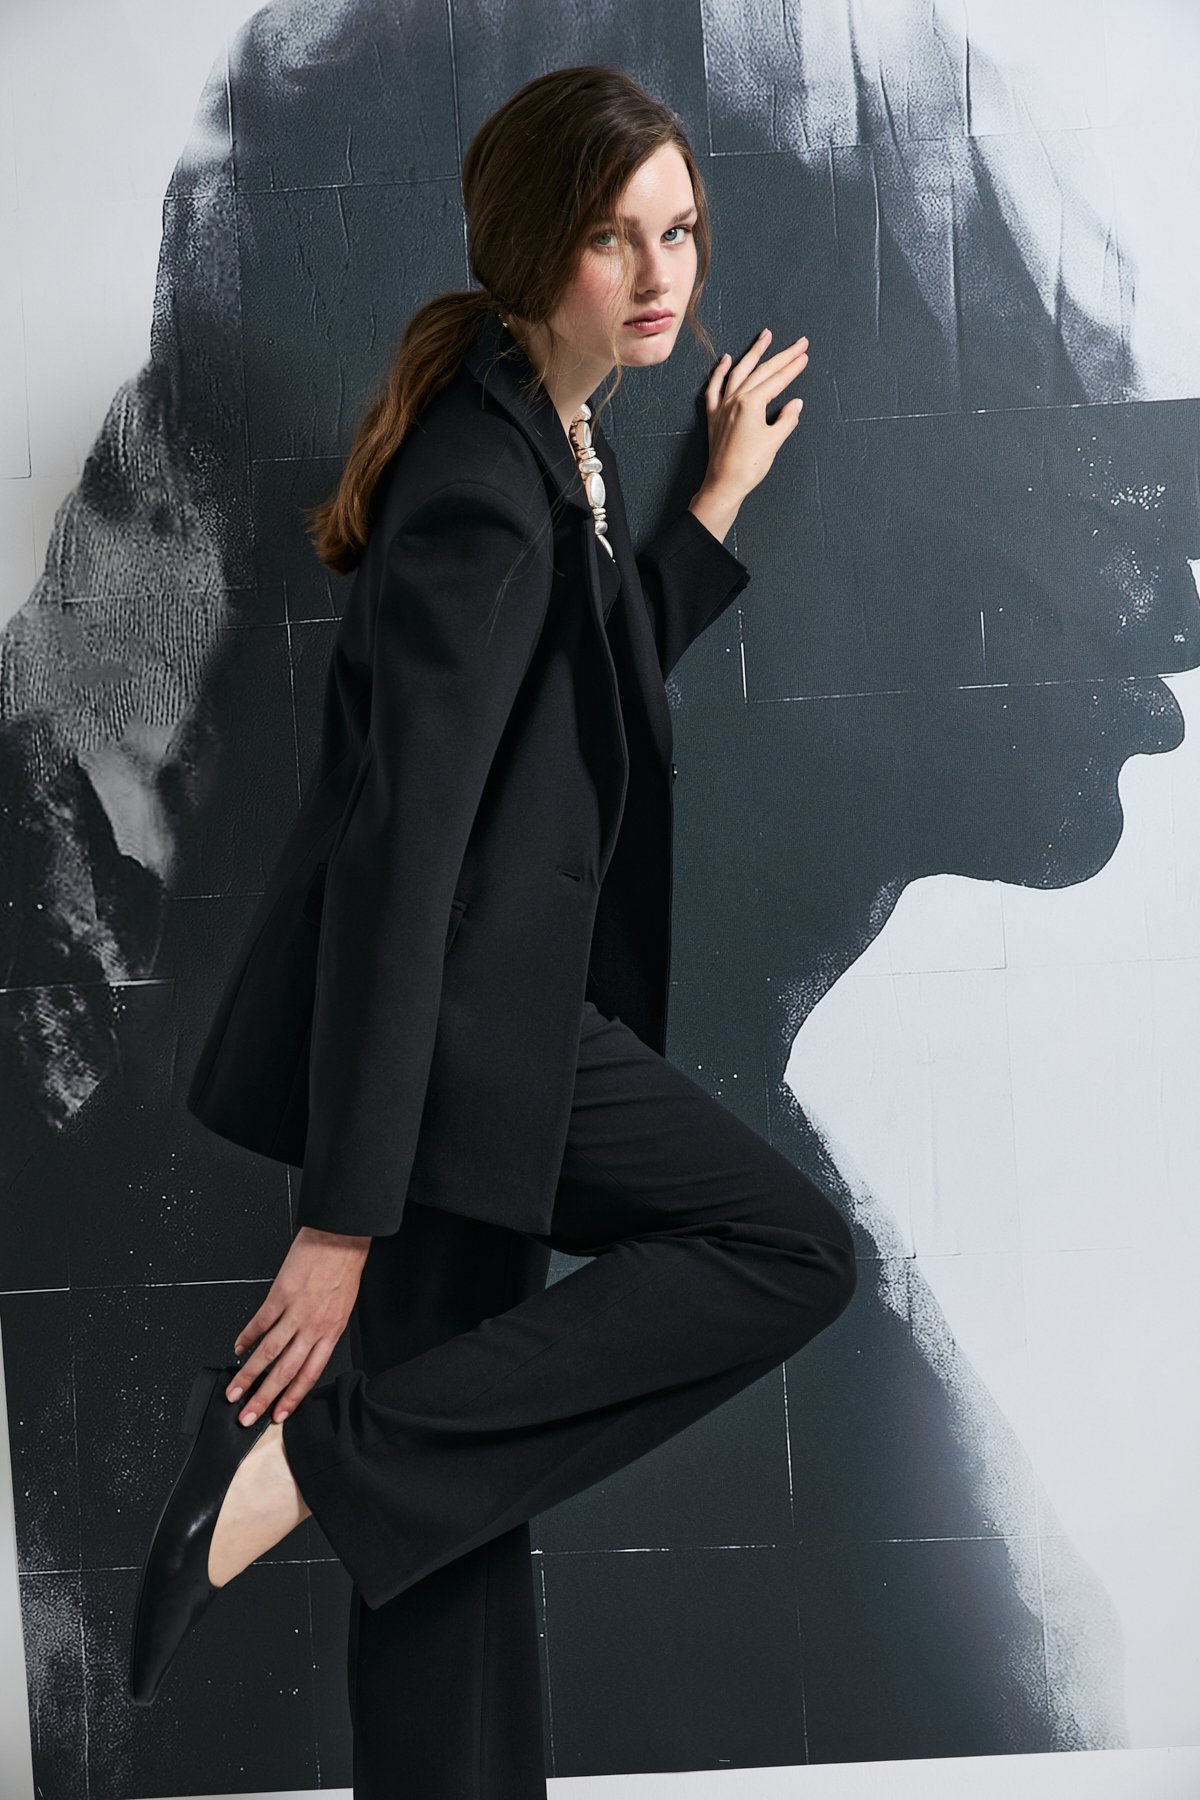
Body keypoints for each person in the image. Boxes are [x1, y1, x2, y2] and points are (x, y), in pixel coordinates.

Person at [129, 62, 856, 1788]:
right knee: (790, 1250)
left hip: (483, 1036)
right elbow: (401, 862)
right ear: (538, 247)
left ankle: (348, 1471)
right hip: (468, 1040)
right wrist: (342, 1220)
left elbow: (566, 697)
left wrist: (706, 513)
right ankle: (318, 1459)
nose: (662, 273)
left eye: (679, 230)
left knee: (448, 1533)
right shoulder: (481, 475)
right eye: (615, 238)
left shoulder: (539, 425)